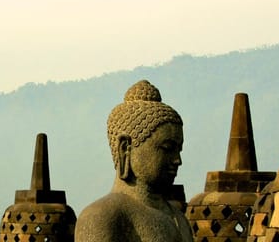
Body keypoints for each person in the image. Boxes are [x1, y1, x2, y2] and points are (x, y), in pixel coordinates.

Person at [75, 80, 194, 242]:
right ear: (125, 148)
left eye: (179, 150)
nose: (177, 160)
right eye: (167, 148)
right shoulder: (101, 216)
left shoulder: (179, 218)